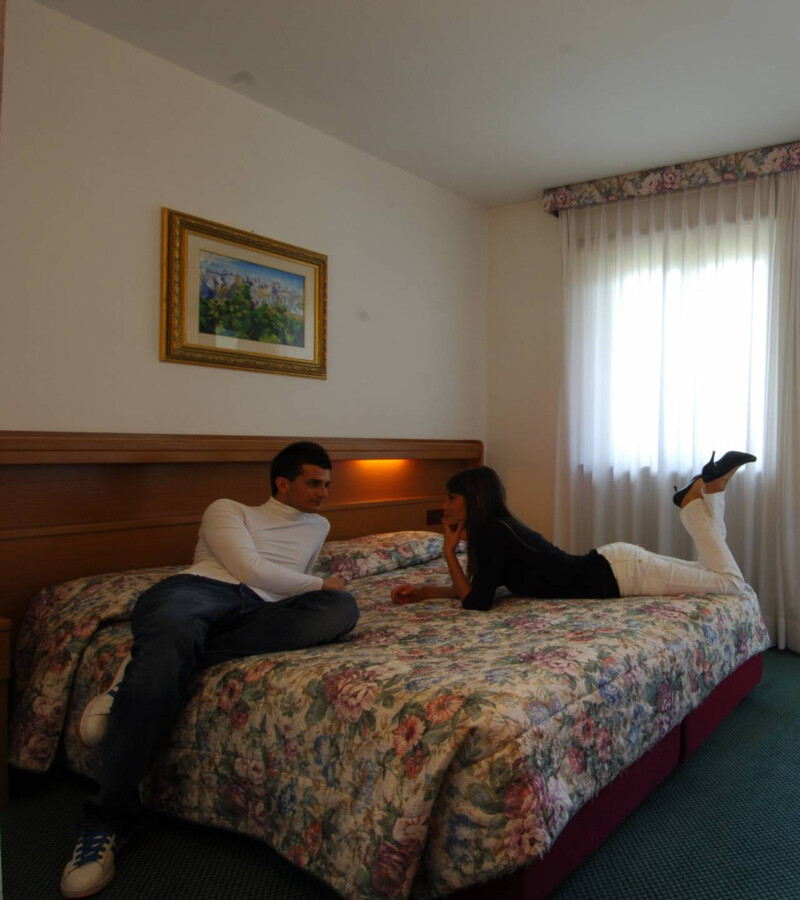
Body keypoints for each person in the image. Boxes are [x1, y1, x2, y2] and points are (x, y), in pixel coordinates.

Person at [61, 441, 359, 899]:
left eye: (327, 484)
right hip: (200, 590)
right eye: (314, 483)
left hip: (261, 608)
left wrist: (323, 591)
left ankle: (134, 676)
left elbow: (285, 582)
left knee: (341, 608)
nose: (324, 492)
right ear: (282, 483)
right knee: (179, 633)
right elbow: (248, 568)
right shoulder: (228, 509)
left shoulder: (320, 525)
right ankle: (107, 820)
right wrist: (322, 581)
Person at [391, 451, 756, 611]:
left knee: (730, 582)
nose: (444, 505)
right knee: (715, 573)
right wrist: (426, 592)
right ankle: (711, 491)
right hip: (618, 567)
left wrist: (448, 552)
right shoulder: (497, 531)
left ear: (472, 500)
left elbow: (476, 603)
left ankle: (692, 502)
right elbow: (480, 589)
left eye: (450, 498)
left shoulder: (494, 533)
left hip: (621, 574)